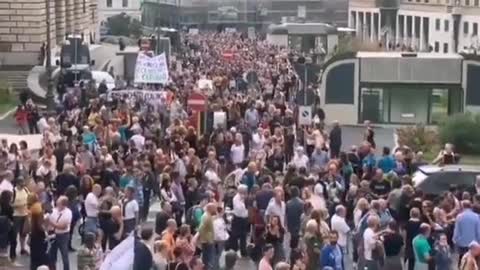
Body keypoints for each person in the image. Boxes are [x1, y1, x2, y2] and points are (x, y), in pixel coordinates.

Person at [48, 196, 72, 270]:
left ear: (63, 204)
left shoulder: (68, 213)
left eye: (58, 202)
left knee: (64, 255)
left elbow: (63, 226)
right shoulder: (54, 210)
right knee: (52, 254)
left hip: (63, 236)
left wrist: (50, 222)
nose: (57, 202)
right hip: (53, 235)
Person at [230, 184, 249, 256]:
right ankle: (234, 250)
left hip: (243, 219)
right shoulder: (236, 198)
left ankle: (243, 251)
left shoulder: (243, 198)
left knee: (243, 236)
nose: (246, 193)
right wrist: (242, 200)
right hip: (238, 219)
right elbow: (239, 209)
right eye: (245, 191)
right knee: (235, 235)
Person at [30, 205, 49, 270]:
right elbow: (44, 230)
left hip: (34, 244)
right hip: (40, 245)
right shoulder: (40, 226)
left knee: (33, 262)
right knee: (42, 263)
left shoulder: (32, 222)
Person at [198, 202, 216, 270]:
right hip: (208, 241)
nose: (215, 210)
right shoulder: (207, 217)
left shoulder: (206, 215)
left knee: (206, 258)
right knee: (208, 258)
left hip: (206, 240)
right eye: (214, 208)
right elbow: (201, 228)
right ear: (210, 209)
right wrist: (207, 239)